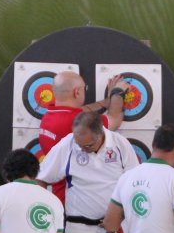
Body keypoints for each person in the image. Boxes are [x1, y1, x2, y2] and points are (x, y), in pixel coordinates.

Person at [38, 71, 130, 200]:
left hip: (61, 196)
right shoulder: (75, 121)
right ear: (77, 92)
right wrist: (118, 92)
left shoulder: (49, 116)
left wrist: (106, 102)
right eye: (84, 88)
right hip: (76, 200)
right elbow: (114, 120)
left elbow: (80, 110)